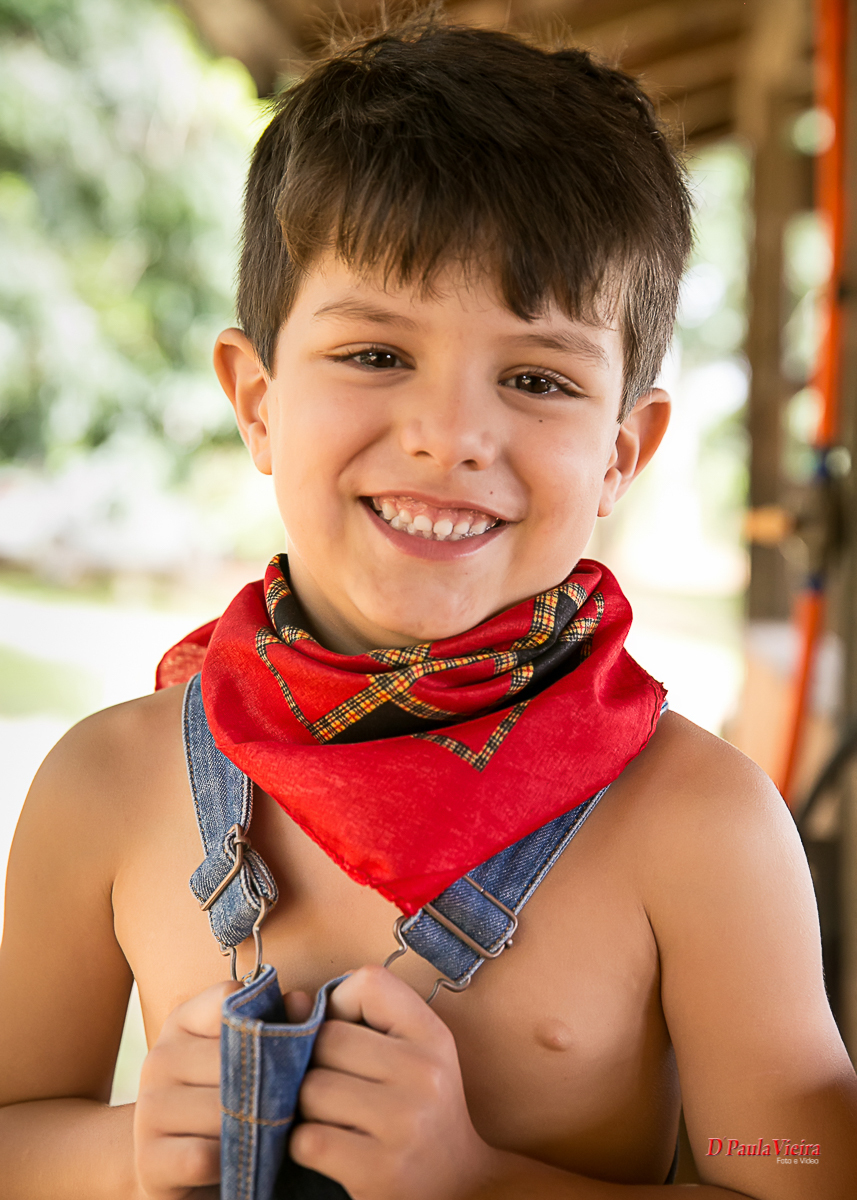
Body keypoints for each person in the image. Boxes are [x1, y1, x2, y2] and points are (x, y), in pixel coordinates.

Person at [1, 16, 855, 1200]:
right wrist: (122, 1148)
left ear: (622, 452)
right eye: (374, 355)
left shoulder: (702, 830)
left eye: (535, 379)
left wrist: (478, 1178)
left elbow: (802, 1167)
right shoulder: (104, 788)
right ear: (256, 401)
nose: (448, 437)